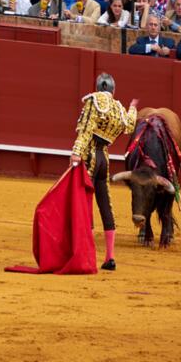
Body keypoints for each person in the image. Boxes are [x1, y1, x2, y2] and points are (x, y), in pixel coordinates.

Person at [69, 73, 138, 271]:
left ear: (98, 88)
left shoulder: (94, 100)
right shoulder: (118, 107)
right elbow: (129, 126)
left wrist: (76, 153)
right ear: (113, 91)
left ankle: (87, 255)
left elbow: (86, 130)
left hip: (90, 155)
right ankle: (109, 258)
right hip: (104, 159)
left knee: (85, 202)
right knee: (105, 204)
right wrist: (133, 107)